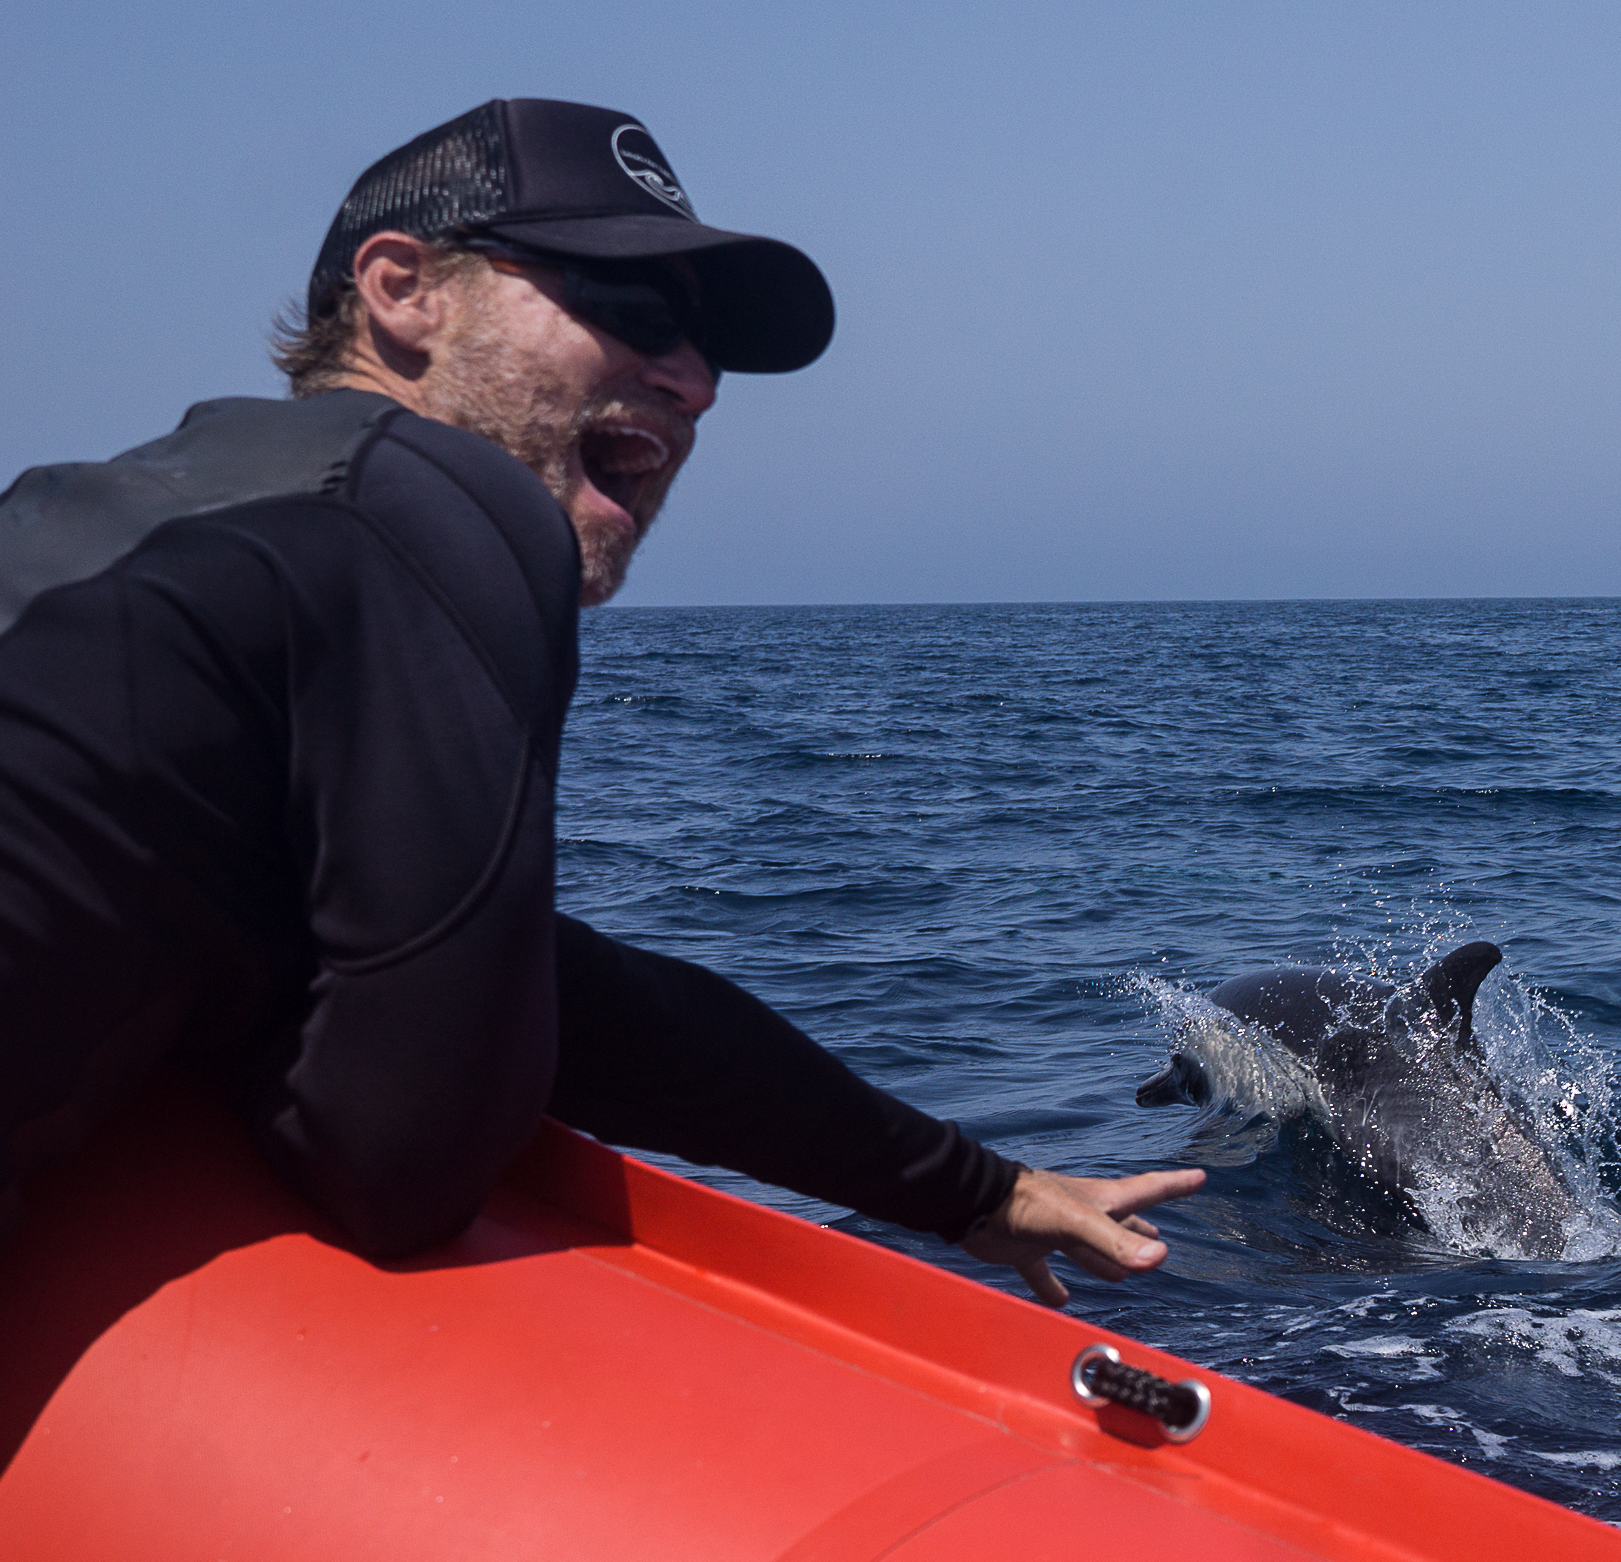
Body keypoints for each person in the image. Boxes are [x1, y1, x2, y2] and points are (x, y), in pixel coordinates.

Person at [0, 98, 1200, 1307]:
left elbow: (537, 988)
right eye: (628, 308)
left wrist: (968, 1186)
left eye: (708, 345)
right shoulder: (440, 509)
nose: (693, 383)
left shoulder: (100, 512)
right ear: (404, 290)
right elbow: (401, 1162)